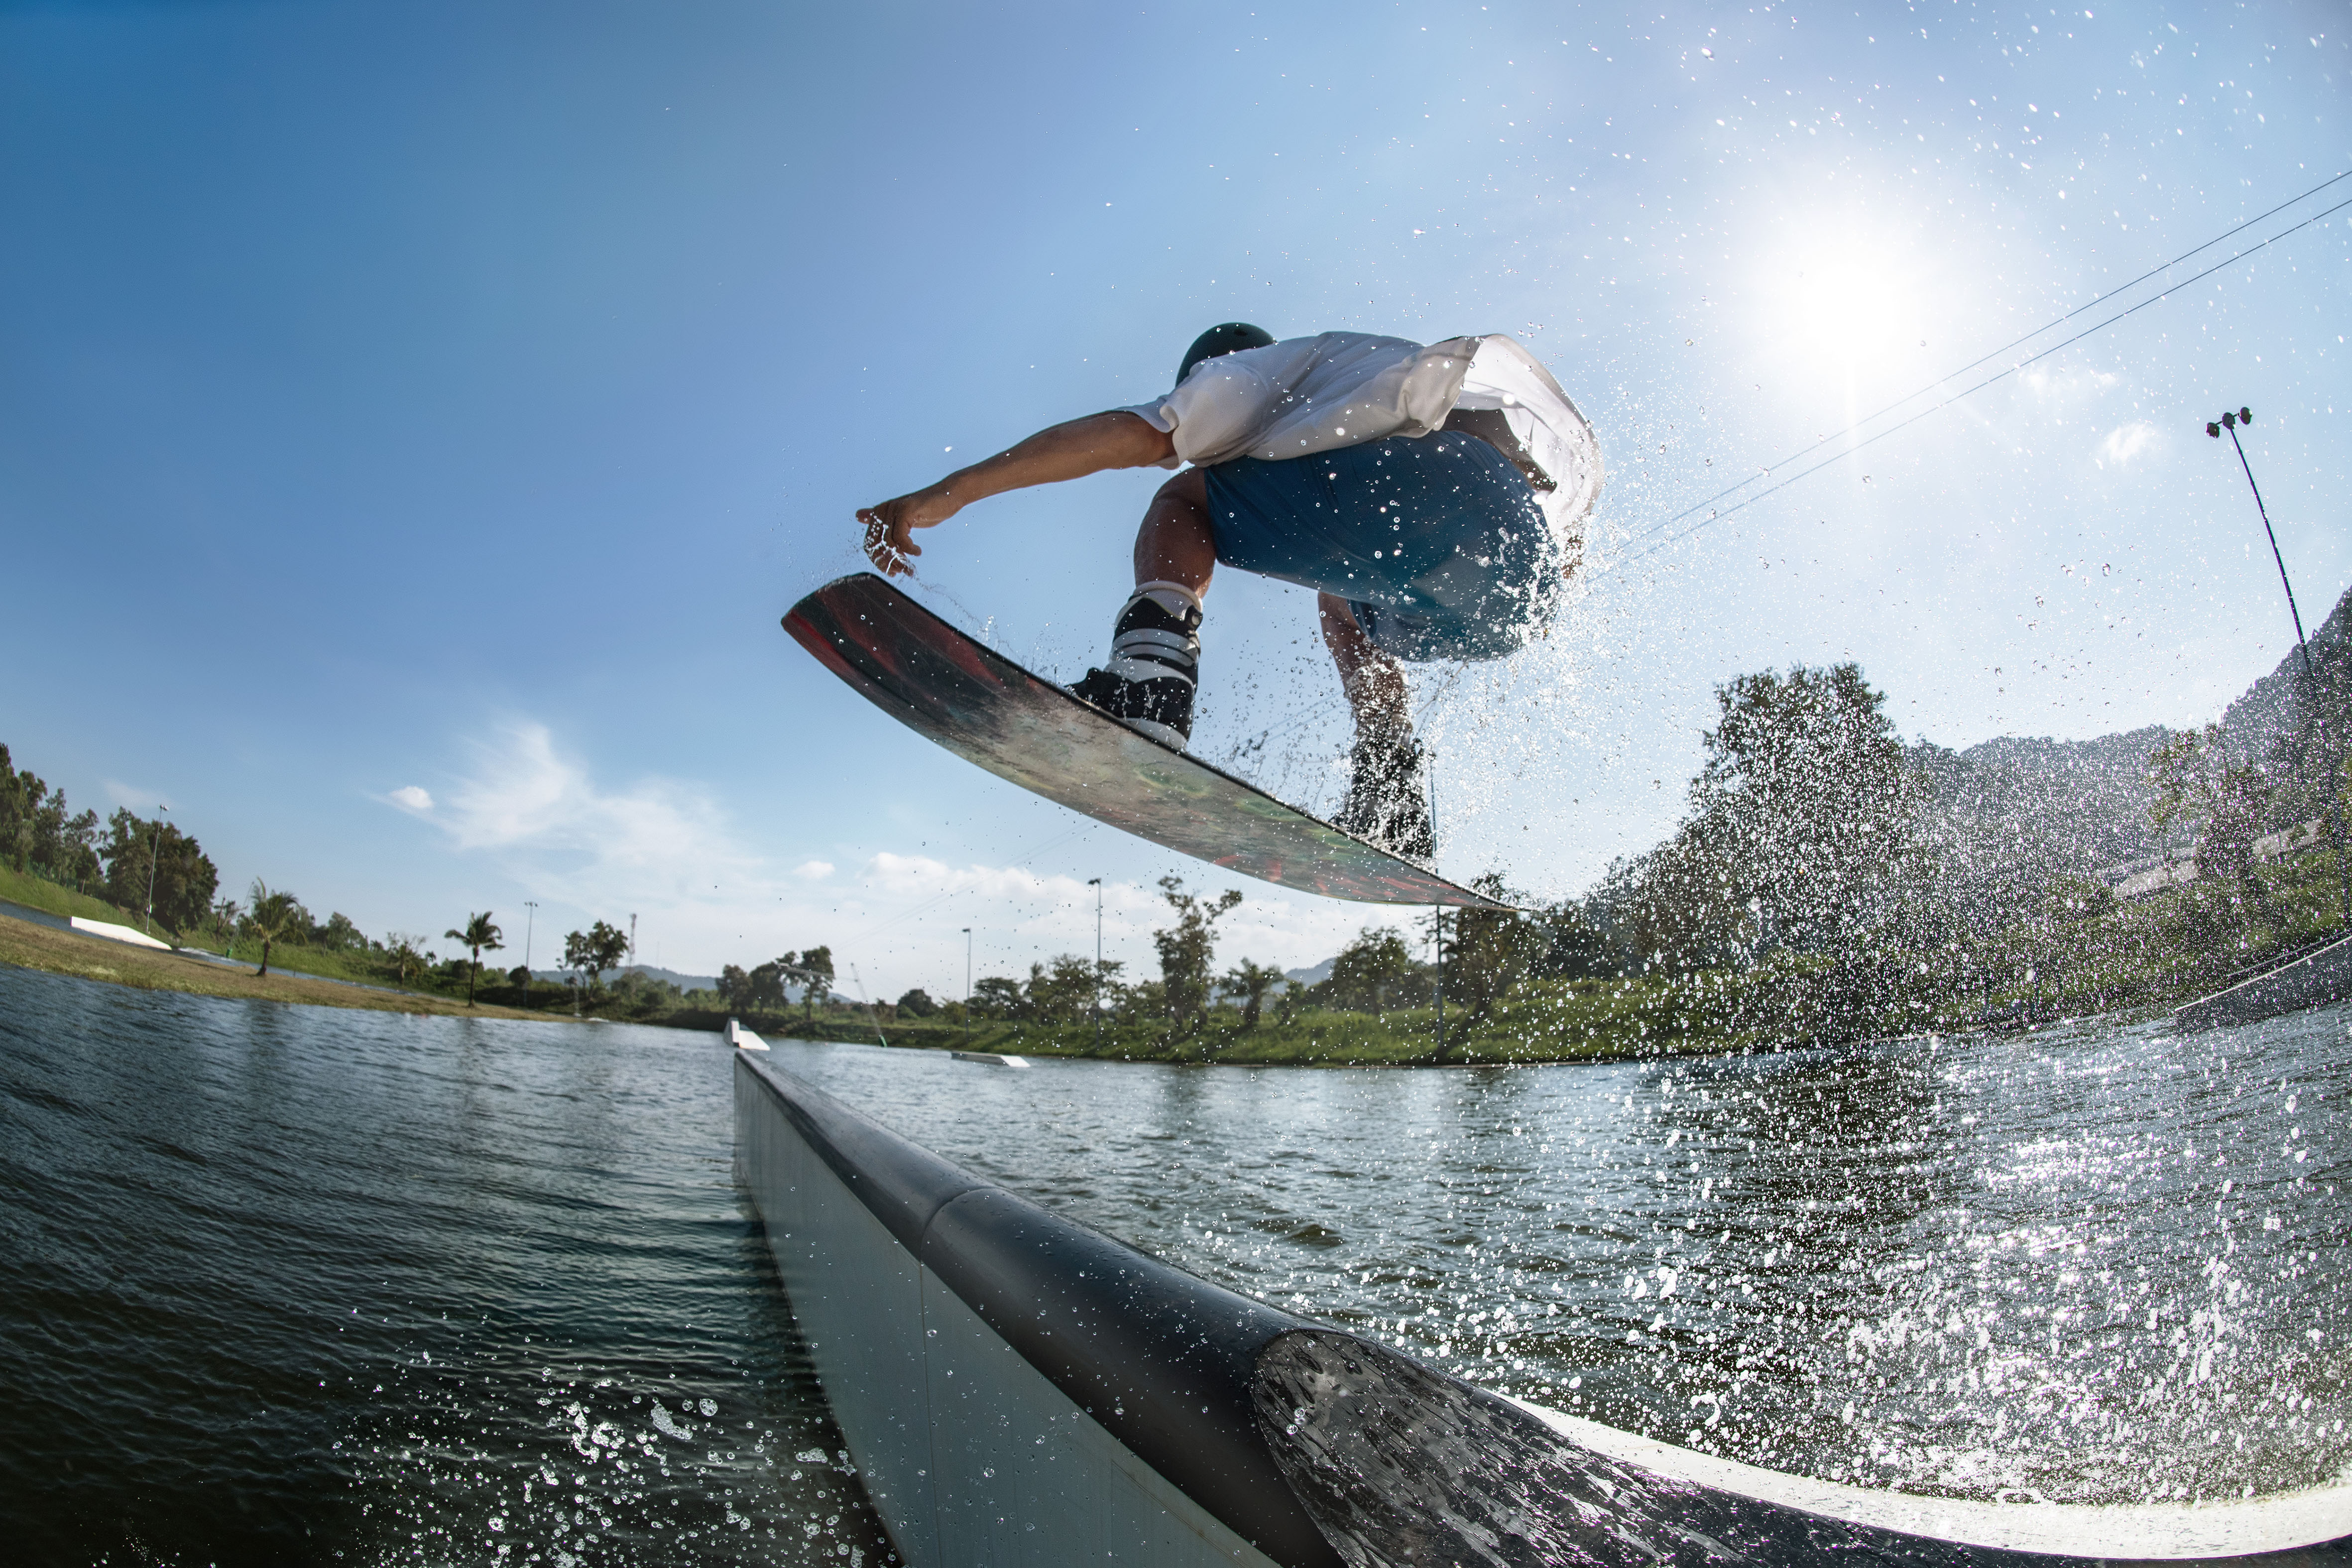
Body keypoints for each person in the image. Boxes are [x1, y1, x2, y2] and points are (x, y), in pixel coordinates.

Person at [855, 325, 1602, 858]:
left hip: (1420, 502)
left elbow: (1135, 434)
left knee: (1184, 498)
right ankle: (1393, 788)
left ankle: (1150, 688)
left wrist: (952, 492)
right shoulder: (1353, 383)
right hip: (1512, 593)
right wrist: (1539, 546)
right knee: (1344, 604)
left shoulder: (1245, 374)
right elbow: (1484, 432)